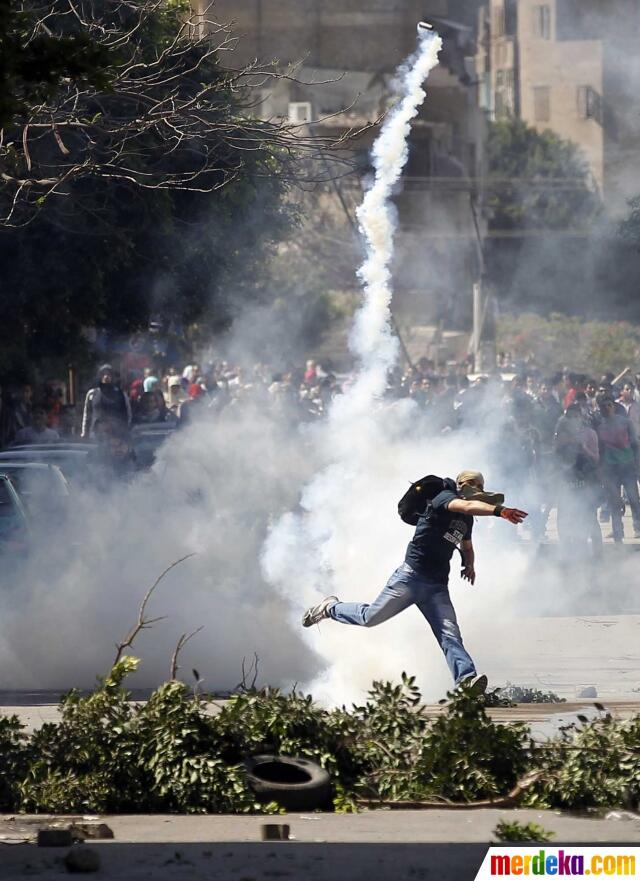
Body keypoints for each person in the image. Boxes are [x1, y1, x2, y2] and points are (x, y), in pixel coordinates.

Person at [302, 471, 528, 693]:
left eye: (479, 486)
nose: (476, 490)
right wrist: (501, 511)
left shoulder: (466, 520)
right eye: (472, 485)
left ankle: (466, 680)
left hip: (437, 586)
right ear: (461, 485)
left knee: (450, 633)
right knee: (370, 617)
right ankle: (330, 608)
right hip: (411, 577)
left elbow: (467, 546)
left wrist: (469, 565)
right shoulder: (445, 498)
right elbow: (466, 506)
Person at [596, 396, 640, 541]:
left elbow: (635, 444)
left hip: (627, 466)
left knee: (634, 499)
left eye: (609, 405)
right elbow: (598, 449)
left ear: (614, 406)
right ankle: (617, 531)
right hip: (610, 469)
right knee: (614, 502)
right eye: (603, 406)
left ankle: (638, 528)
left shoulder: (625, 423)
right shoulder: (598, 425)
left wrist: (636, 464)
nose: (606, 408)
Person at [81, 364, 132, 438]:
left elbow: (127, 413)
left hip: (115, 434)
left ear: (112, 377)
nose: (106, 376)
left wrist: (125, 430)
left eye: (108, 374)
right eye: (103, 374)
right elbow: (87, 414)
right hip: (96, 433)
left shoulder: (121, 394)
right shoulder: (92, 393)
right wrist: (84, 432)